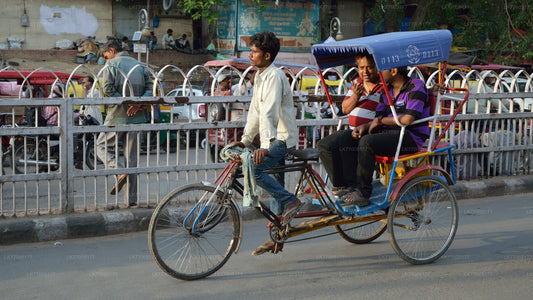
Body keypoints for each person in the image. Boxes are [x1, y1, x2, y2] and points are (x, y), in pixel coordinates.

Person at [229, 31, 300, 256]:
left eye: (255, 52)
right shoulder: (260, 76)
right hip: (271, 139)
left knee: (256, 169)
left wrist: (266, 146)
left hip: (282, 139)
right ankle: (279, 236)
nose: (250, 55)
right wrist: (245, 141)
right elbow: (255, 113)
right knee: (275, 180)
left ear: (267, 55)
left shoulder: (276, 76)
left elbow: (269, 112)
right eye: (250, 51)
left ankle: (292, 202)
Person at [340, 66, 430, 206]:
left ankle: (363, 193)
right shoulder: (386, 90)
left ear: (393, 71)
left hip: (410, 137)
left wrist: (381, 121)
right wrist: (364, 127)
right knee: (347, 138)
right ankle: (351, 186)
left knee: (367, 142)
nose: (378, 73)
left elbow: (407, 120)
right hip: (390, 133)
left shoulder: (415, 86)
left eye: (382, 70)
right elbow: (378, 117)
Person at [97, 40, 153, 208]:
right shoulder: (140, 65)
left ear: (112, 51)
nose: (106, 60)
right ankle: (132, 201)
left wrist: (126, 102)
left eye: (106, 56)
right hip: (137, 118)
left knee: (100, 146)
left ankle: (118, 169)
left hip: (116, 117)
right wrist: (138, 103)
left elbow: (107, 88)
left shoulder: (112, 65)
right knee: (132, 161)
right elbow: (151, 87)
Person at [317, 53, 382, 197]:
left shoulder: (384, 84)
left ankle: (353, 185)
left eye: (370, 67)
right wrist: (356, 96)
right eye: (361, 68)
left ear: (377, 67)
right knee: (324, 144)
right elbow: (345, 109)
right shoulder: (356, 83)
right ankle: (341, 184)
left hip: (372, 130)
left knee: (344, 140)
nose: (365, 72)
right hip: (352, 129)